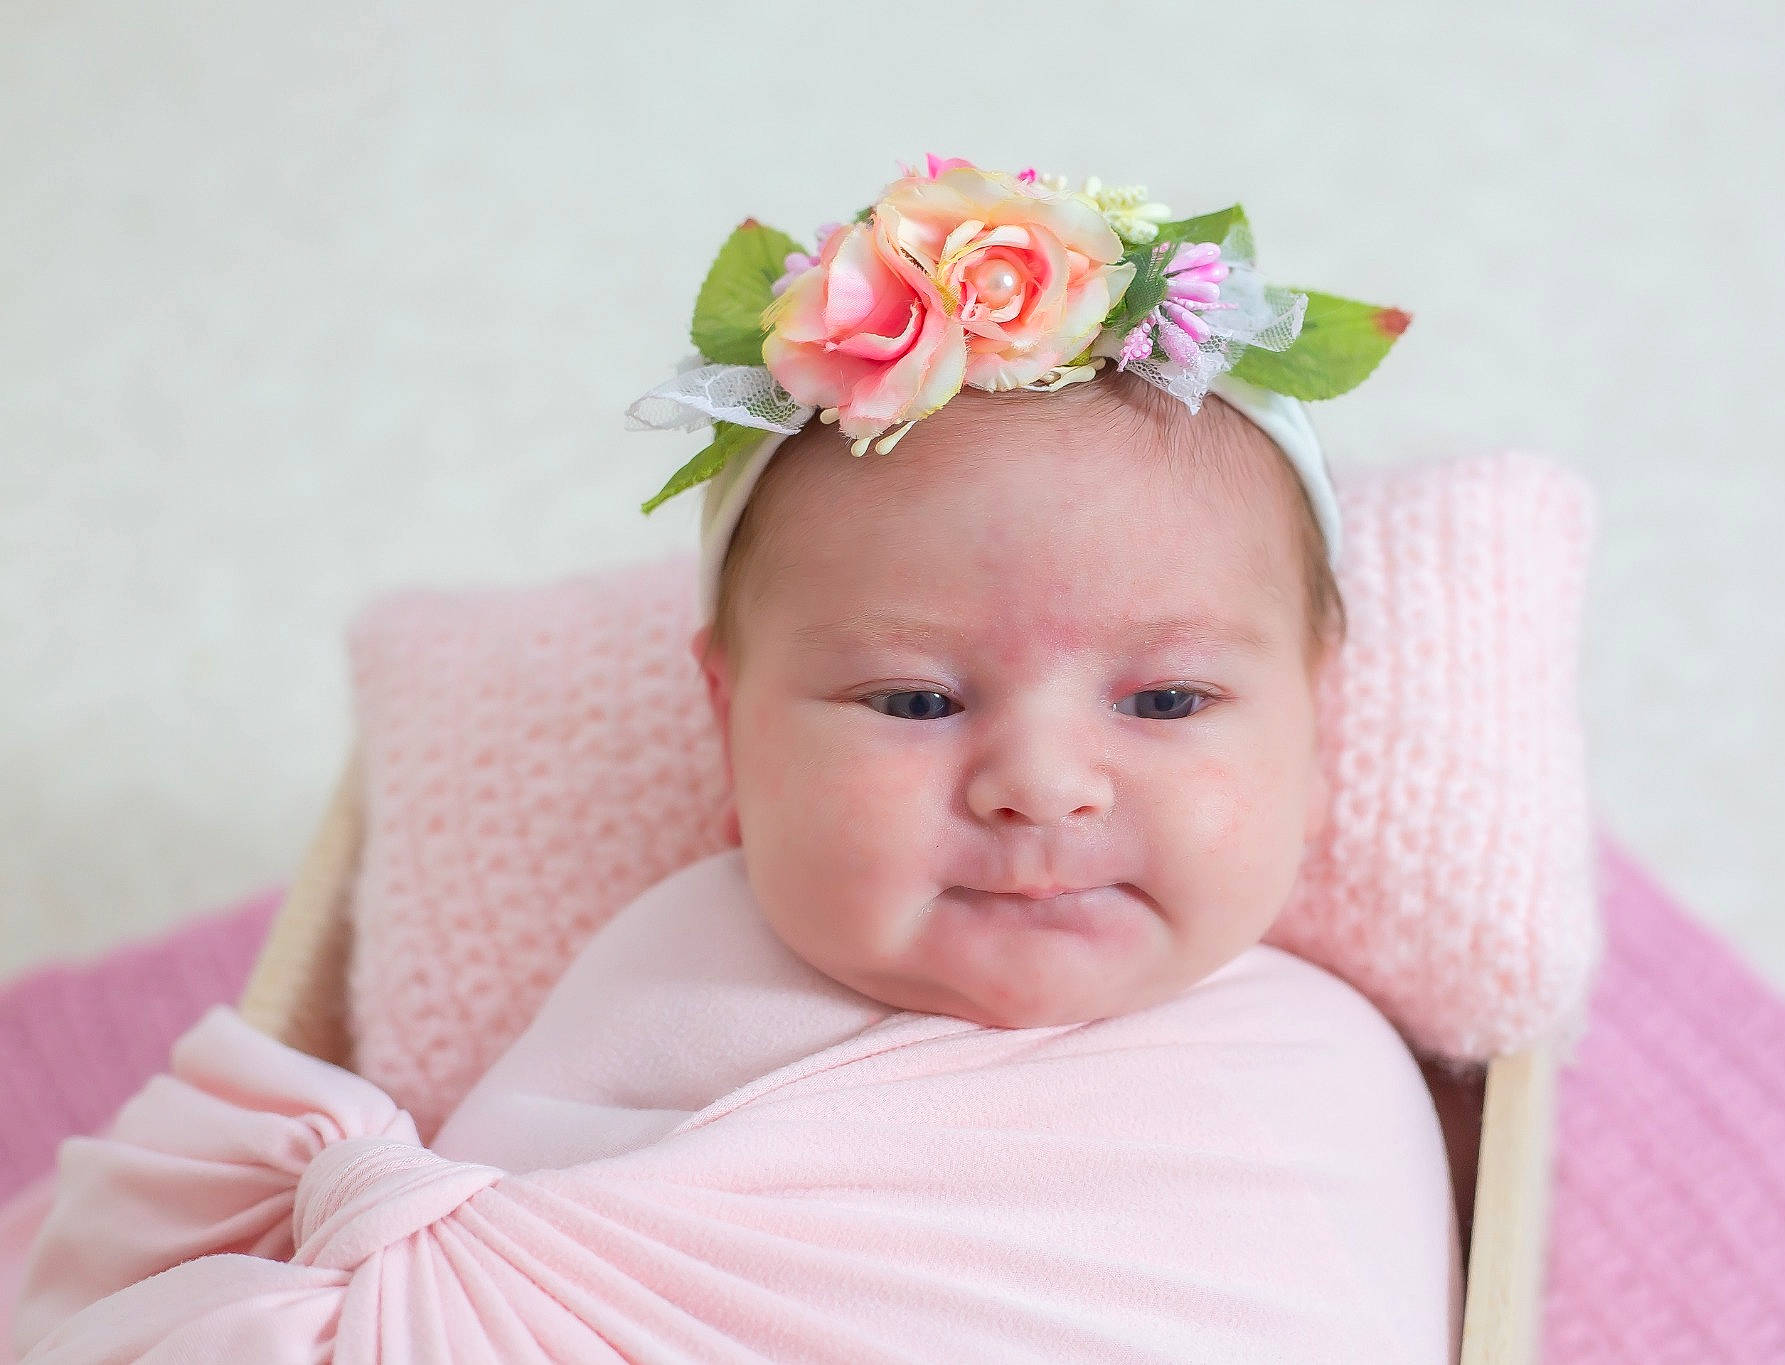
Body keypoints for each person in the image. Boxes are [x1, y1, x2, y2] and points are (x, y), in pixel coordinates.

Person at [11, 155, 1458, 1363]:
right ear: (730, 721)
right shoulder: (675, 961)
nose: (1041, 783)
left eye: (1167, 702)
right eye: (911, 701)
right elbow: (520, 1285)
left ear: (1317, 719)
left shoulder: (1317, 1075)